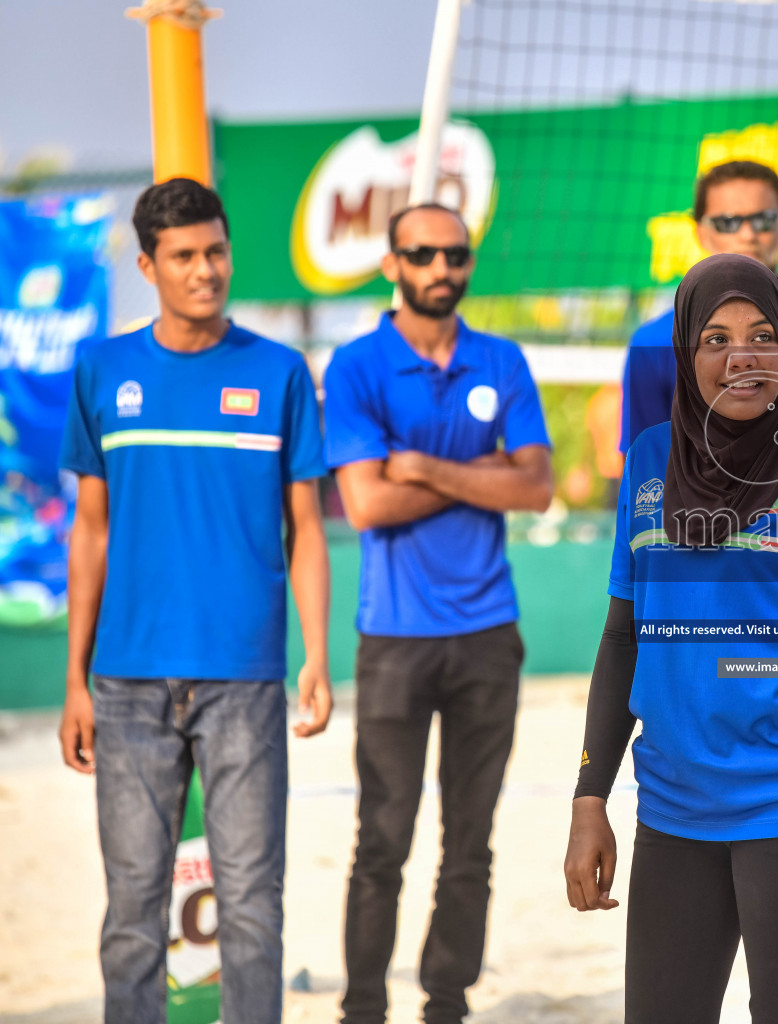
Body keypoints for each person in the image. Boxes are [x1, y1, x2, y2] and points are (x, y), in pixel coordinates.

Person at [564, 253, 778, 1024]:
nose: (741, 357)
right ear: (687, 353)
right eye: (715, 338)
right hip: (673, 809)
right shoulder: (650, 459)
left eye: (761, 336)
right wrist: (590, 797)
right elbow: (624, 639)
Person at [56, 177, 332, 1024]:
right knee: (132, 913)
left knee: (252, 905)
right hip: (127, 684)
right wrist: (75, 679)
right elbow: (91, 532)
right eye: (183, 256)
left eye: (215, 250)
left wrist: (316, 656)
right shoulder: (101, 369)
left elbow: (307, 530)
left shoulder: (280, 371)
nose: (205, 269)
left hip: (244, 681)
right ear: (148, 265)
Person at [324, 202, 554, 1024]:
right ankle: (361, 1007)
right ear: (392, 264)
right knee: (382, 838)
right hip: (394, 638)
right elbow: (366, 506)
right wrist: (476, 470)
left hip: (489, 633)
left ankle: (446, 1003)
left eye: (454, 254)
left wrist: (420, 464)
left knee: (471, 842)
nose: (441, 267)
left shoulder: (501, 357)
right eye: (422, 253)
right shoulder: (355, 367)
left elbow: (536, 486)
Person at [620, 160, 778, 451]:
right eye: (728, 222)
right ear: (701, 232)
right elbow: (644, 470)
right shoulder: (653, 343)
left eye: (763, 220)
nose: (748, 234)